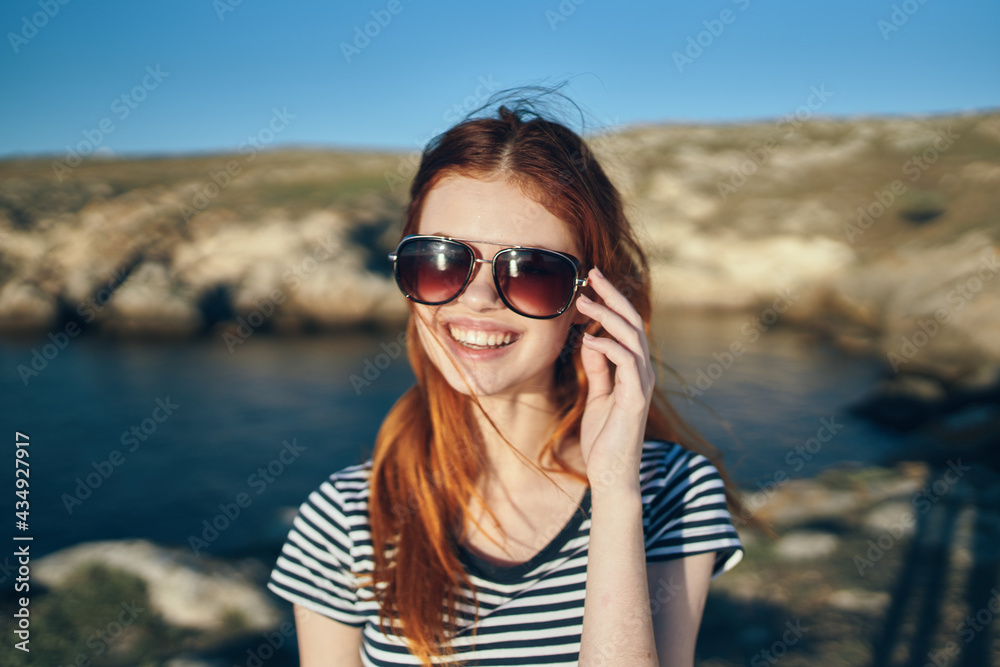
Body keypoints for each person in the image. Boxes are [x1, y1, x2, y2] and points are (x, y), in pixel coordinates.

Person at [267, 91, 746, 667]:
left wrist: (616, 491)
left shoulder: (672, 492)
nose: (476, 299)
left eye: (534, 271)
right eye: (440, 259)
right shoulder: (346, 516)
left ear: (589, 299)